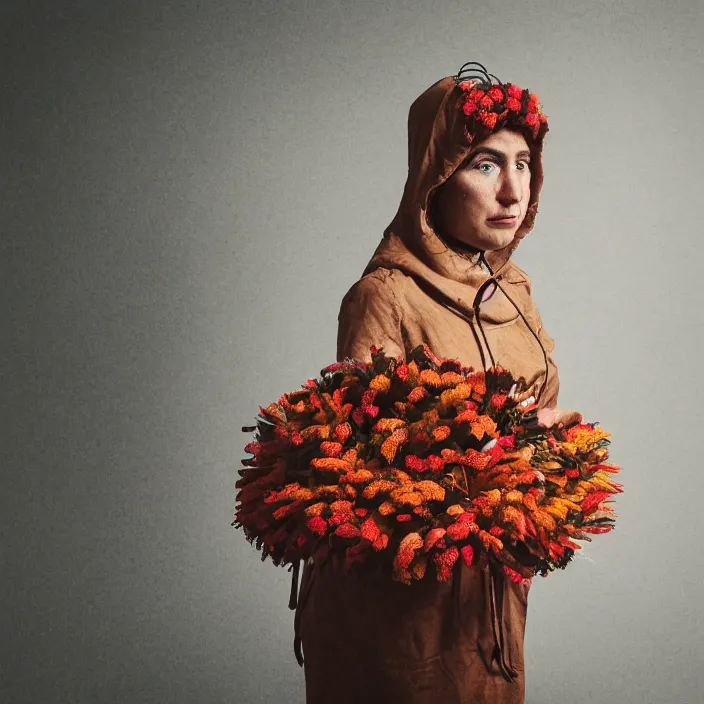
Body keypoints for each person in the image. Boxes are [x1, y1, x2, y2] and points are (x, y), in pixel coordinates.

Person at [290, 62, 581, 704]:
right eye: (484, 163)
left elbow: (542, 421)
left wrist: (549, 446)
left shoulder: (518, 295)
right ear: (436, 173)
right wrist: (497, 446)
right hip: (400, 615)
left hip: (493, 604)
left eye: (524, 163)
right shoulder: (384, 296)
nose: (513, 190)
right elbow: (364, 474)